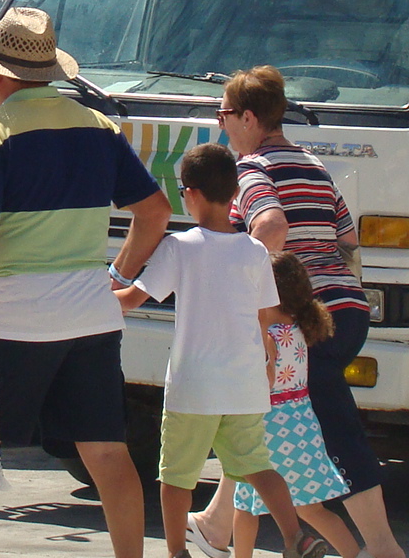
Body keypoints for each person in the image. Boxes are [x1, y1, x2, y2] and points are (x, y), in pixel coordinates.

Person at [0, 7, 171, 558]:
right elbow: (155, 212)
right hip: (91, 318)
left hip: (12, 320)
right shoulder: (100, 128)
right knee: (107, 453)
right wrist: (117, 276)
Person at [191, 65, 405, 558]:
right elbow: (348, 242)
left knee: (319, 426)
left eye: (223, 114)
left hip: (303, 317)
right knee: (269, 416)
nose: (220, 124)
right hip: (344, 311)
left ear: (247, 117)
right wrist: (335, 292)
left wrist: (255, 297)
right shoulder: (313, 163)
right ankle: (216, 525)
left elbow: (270, 228)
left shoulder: (250, 169)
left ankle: (380, 549)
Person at [116, 143, 317, 558]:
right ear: (235, 193)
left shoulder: (180, 247)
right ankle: (296, 535)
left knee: (176, 478)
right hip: (245, 383)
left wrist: (86, 294)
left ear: (189, 193)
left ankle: (177, 552)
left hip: (195, 387)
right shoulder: (256, 251)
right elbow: (263, 318)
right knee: (257, 467)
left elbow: (133, 299)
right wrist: (268, 364)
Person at [229, 253, 349, 558]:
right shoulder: (297, 329)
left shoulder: (265, 335)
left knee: (246, 505)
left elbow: (261, 384)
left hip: (265, 429)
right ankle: (355, 553)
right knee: (313, 509)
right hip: (300, 425)